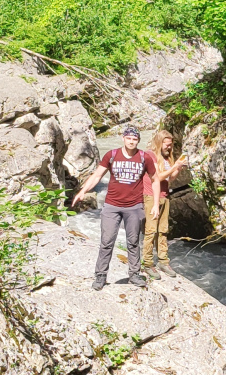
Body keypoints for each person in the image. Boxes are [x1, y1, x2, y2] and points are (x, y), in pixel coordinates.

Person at [73, 124, 161, 290]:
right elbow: (97, 175)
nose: (131, 142)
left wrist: (155, 204)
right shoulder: (112, 155)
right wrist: (83, 191)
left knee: (133, 241)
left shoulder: (144, 158)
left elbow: (155, 180)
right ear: (123, 138)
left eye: (135, 139)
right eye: (128, 138)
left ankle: (134, 274)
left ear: (138, 141)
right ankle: (100, 276)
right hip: (111, 206)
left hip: (134, 207)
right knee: (106, 241)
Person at [143, 128, 188, 277]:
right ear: (159, 142)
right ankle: (148, 263)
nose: (169, 147)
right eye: (166, 144)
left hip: (164, 195)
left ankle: (163, 261)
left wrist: (178, 167)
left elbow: (170, 179)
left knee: (163, 230)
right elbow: (159, 177)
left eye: (170, 145)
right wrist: (174, 167)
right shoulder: (151, 155)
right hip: (150, 196)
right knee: (151, 230)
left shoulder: (168, 157)